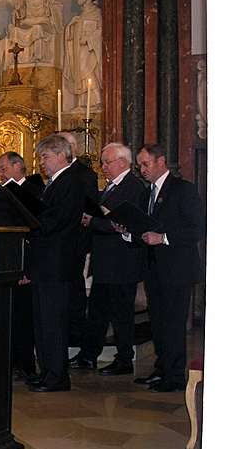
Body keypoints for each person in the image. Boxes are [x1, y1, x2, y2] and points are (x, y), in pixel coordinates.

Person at [131, 144, 204, 392]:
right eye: (139, 165)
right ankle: (161, 369)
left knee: (173, 324)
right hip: (154, 269)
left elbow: (197, 228)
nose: (142, 170)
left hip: (177, 269)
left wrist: (163, 238)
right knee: (159, 323)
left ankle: (174, 376)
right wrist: (129, 232)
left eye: (145, 164)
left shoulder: (183, 190)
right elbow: (144, 227)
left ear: (161, 161)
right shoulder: (145, 194)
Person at [69, 143, 146, 375]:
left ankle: (124, 359)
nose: (103, 167)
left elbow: (123, 223)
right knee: (97, 312)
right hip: (104, 261)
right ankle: (88, 355)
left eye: (107, 162)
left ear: (123, 162)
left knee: (121, 313)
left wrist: (90, 221)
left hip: (121, 262)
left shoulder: (134, 187)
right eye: (102, 162)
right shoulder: (111, 187)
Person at [25, 135, 84, 392]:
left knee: (53, 321)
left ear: (61, 155)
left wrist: (29, 220)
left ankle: (57, 375)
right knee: (42, 320)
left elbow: (58, 220)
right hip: (45, 262)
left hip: (56, 263)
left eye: (45, 157)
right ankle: (47, 370)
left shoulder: (71, 181)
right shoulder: (55, 182)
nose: (41, 162)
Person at [0, 151, 39, 381]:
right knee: (10, 317)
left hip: (25, 264)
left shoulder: (32, 191)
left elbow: (34, 234)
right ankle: (10, 361)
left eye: (3, 168)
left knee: (24, 318)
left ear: (17, 166)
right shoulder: (4, 193)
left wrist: (27, 269)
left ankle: (26, 365)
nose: (0, 174)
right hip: (8, 264)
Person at [57, 132, 98, 349]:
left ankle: (76, 335)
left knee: (75, 290)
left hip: (76, 241)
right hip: (62, 242)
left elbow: (88, 210)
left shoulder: (84, 174)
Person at [63, 0, 102, 111]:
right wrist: (71, 28)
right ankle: (81, 103)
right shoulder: (80, 16)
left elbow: (101, 31)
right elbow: (71, 33)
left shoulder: (97, 13)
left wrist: (89, 39)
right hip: (79, 50)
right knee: (79, 74)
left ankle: (98, 100)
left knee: (87, 71)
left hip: (90, 49)